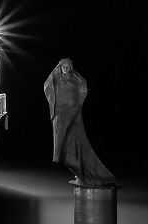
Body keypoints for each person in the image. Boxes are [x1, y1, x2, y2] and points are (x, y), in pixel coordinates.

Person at [43, 58, 116, 186]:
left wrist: (75, 108)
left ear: (71, 68)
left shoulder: (76, 80)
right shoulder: (55, 79)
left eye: (68, 66)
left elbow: (82, 88)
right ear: (59, 68)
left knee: (77, 144)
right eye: (63, 66)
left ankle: (84, 173)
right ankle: (79, 171)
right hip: (60, 117)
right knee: (60, 147)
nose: (66, 68)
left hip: (74, 117)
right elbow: (47, 89)